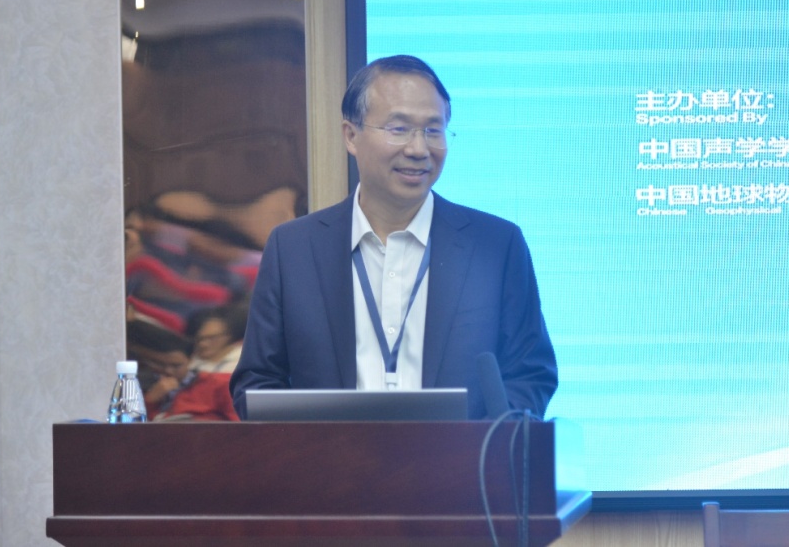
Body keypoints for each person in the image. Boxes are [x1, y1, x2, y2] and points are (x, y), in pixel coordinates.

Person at [229, 55, 557, 419]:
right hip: (331, 457)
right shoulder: (293, 249)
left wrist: (485, 440)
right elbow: (257, 381)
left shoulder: (496, 247)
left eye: (433, 130)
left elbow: (531, 374)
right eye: (399, 129)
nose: (418, 149)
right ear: (351, 136)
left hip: (461, 457)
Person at [186, 302, 248, 373]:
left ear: (229, 336)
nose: (203, 344)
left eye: (212, 338)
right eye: (199, 339)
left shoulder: (244, 361)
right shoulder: (187, 362)